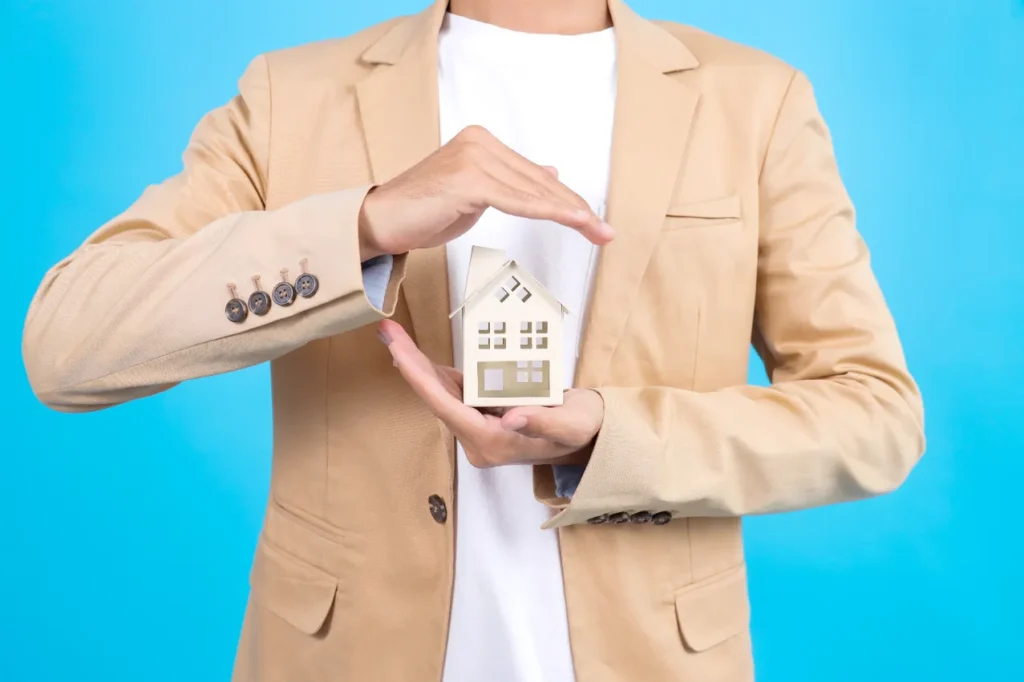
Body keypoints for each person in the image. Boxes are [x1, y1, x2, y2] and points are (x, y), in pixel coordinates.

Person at [22, 0, 925, 680]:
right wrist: (365, 225)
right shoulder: (290, 95)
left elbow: (875, 417)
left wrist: (611, 436)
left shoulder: (754, 101)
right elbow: (66, 344)